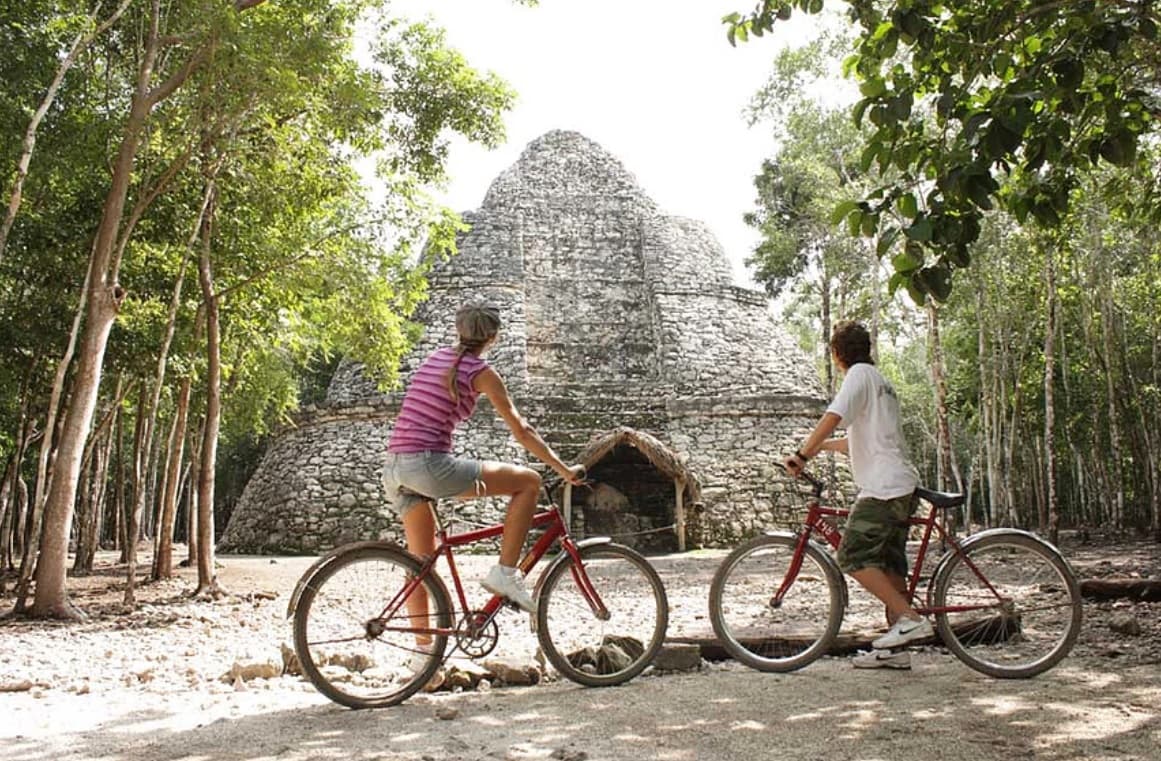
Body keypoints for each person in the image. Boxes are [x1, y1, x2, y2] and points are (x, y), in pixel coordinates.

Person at [382, 303, 586, 656]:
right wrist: (563, 468)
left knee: (419, 564)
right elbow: (521, 430)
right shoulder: (483, 372)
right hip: (429, 468)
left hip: (396, 467)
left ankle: (424, 657)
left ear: (459, 331)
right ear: (493, 337)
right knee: (529, 481)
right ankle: (506, 572)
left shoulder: (435, 358)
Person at [782, 320, 931, 671]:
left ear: (837, 355)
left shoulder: (858, 377)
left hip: (883, 487)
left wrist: (802, 454)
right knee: (890, 567)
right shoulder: (881, 382)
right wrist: (820, 450)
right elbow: (860, 440)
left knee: (851, 555)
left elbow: (834, 416)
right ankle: (895, 651)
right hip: (901, 482)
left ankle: (910, 618)